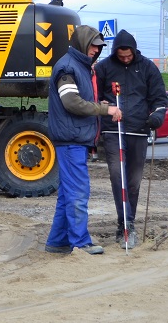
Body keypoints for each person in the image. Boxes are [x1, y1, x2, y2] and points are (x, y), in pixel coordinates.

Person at [45, 25, 122, 255]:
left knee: (68, 193)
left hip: (74, 138)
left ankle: (58, 242)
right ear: (82, 43)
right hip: (71, 139)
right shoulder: (68, 67)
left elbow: (77, 100)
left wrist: (100, 107)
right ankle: (81, 242)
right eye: (93, 46)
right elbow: (71, 102)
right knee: (78, 191)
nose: (96, 50)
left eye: (99, 47)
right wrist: (103, 110)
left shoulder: (79, 66)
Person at [95, 30, 167, 248]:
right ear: (115, 51)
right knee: (118, 178)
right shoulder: (104, 68)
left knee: (133, 182)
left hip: (138, 131)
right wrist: (102, 107)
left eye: (129, 56)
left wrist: (157, 116)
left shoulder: (147, 68)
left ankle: (130, 222)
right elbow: (94, 96)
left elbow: (159, 98)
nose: (125, 59)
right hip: (112, 131)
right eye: (121, 56)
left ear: (134, 51)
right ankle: (123, 225)